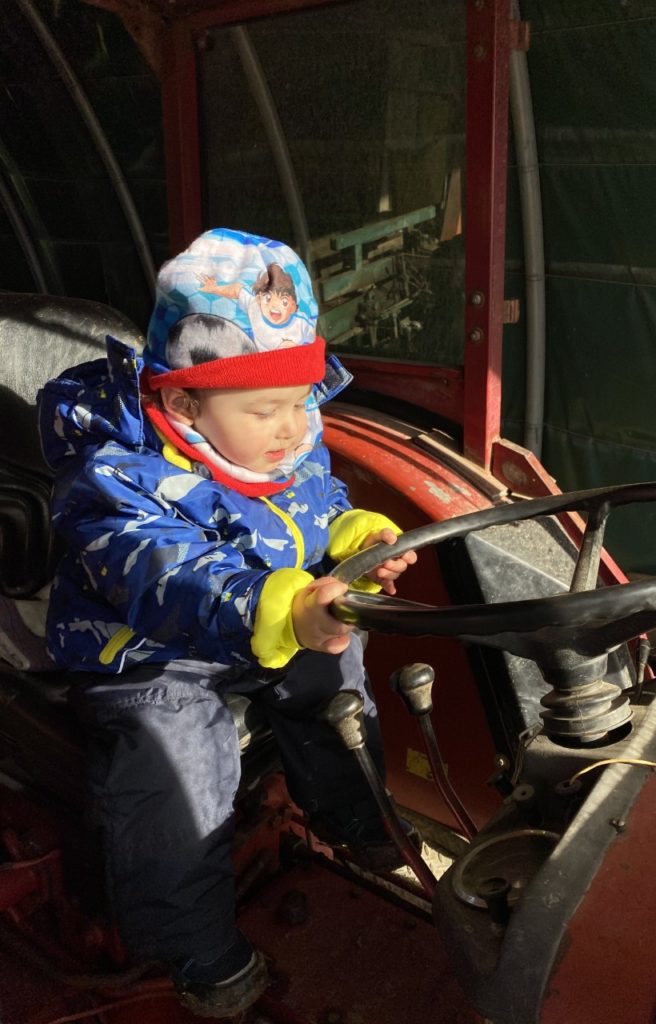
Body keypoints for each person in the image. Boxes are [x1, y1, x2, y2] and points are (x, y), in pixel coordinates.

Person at [37, 227, 418, 1019]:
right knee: (174, 763)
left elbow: (314, 508)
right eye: (269, 408)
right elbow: (167, 577)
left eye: (303, 401)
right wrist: (277, 607)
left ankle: (355, 814)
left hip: (256, 622)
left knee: (332, 665)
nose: (296, 428)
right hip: (146, 648)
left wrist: (351, 542)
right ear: (184, 401)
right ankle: (191, 946)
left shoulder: (273, 441)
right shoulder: (115, 478)